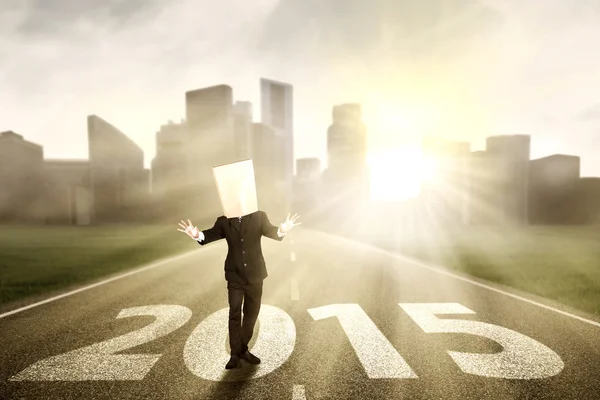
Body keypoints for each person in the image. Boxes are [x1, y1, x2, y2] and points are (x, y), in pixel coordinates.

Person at [177, 211, 301, 369]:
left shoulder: (258, 216)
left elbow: (273, 233)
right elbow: (207, 236)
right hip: (234, 275)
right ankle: (235, 354)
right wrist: (196, 234)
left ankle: (243, 348)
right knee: (234, 312)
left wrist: (283, 229)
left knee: (251, 312)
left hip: (255, 275)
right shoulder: (224, 221)